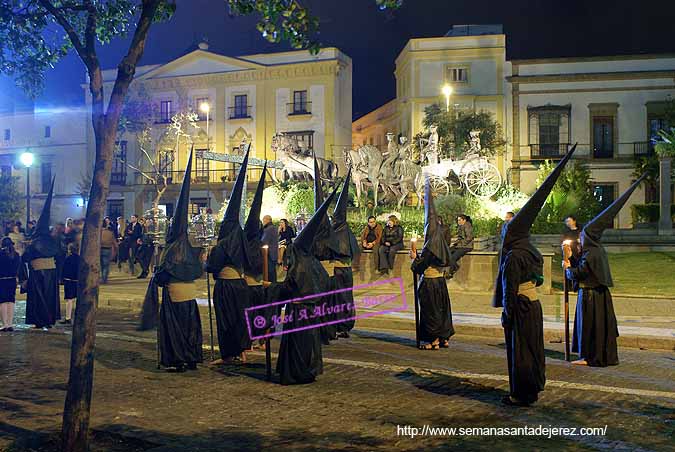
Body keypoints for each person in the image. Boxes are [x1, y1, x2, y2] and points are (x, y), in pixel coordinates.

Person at [493, 144, 577, 407]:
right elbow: (540, 279)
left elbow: (509, 289)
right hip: (535, 305)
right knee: (534, 348)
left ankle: (521, 393)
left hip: (519, 306)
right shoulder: (532, 250)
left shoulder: (513, 256)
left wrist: (507, 313)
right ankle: (534, 386)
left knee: (521, 351)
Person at [565, 175, 646, 367]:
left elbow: (581, 272)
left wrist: (568, 267)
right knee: (601, 328)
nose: (581, 240)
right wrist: (571, 256)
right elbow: (587, 265)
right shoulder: (597, 250)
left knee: (591, 328)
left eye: (583, 237)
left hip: (590, 296)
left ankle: (590, 357)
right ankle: (601, 356)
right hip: (600, 295)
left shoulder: (591, 252)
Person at [140, 151, 204, 371]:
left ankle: (178, 359)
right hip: (190, 295)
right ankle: (193, 357)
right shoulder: (190, 245)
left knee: (175, 329)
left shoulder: (170, 249)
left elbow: (164, 276)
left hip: (175, 294)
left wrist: (157, 274)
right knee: (191, 327)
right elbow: (198, 270)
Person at [276, 189, 336, 384]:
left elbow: (289, 286)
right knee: (309, 341)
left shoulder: (299, 262)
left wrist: (270, 289)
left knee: (298, 343)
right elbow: (326, 283)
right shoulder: (313, 262)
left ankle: (297, 372)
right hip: (312, 310)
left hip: (298, 310)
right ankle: (308, 371)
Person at [207, 148, 252, 364]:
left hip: (225, 287)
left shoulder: (223, 244)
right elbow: (251, 261)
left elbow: (212, 267)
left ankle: (228, 354)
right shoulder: (241, 239)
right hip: (241, 284)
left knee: (226, 320)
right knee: (240, 319)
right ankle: (242, 351)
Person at [411, 180, 455, 350]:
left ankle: (433, 340)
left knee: (431, 311)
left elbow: (419, 266)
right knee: (442, 309)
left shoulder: (431, 245)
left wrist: (414, 257)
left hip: (430, 282)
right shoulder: (441, 241)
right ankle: (444, 338)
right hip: (440, 282)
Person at [19, 178, 61, 330]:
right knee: (49, 297)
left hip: (38, 272)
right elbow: (58, 255)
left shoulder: (35, 241)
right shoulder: (51, 241)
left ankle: (40, 320)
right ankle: (49, 319)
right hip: (51, 271)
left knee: (39, 298)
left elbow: (25, 257)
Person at [242, 164, 272, 346]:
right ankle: (259, 340)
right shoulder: (258, 244)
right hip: (256, 284)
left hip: (252, 284)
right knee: (257, 313)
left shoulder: (248, 245)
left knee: (252, 313)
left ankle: (254, 340)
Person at [311, 155, 340, 344]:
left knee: (322, 306)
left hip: (320, 276)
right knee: (328, 306)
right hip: (328, 275)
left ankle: (324, 333)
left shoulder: (318, 237)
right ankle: (329, 332)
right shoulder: (332, 234)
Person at [332, 169, 360, 338]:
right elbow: (354, 250)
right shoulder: (348, 232)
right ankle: (345, 325)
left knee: (337, 299)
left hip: (337, 271)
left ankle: (337, 325)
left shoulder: (334, 232)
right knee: (346, 298)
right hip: (347, 271)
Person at [0, 237, 21, 331]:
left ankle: (4, 324)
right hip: (12, 280)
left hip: (2, 280)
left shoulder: (0, 255)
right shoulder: (16, 255)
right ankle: (10, 324)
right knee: (11, 301)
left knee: (3, 302)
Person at [60, 242, 80, 325]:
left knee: (69, 300)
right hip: (77, 281)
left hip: (69, 280)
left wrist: (62, 278)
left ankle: (68, 317)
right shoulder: (80, 259)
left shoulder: (68, 259)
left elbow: (64, 269)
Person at [261, 214, 278, 283]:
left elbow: (263, 241)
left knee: (269, 274)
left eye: (264, 220)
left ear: (267, 220)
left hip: (269, 255)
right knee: (273, 273)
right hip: (273, 254)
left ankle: (271, 289)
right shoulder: (273, 228)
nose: (263, 222)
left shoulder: (268, 229)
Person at [100, 219, 118, 284]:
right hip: (107, 249)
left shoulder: (99, 232)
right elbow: (114, 242)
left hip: (100, 249)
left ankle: (102, 277)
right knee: (106, 265)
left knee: (101, 265)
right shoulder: (110, 232)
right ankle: (104, 279)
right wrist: (116, 250)